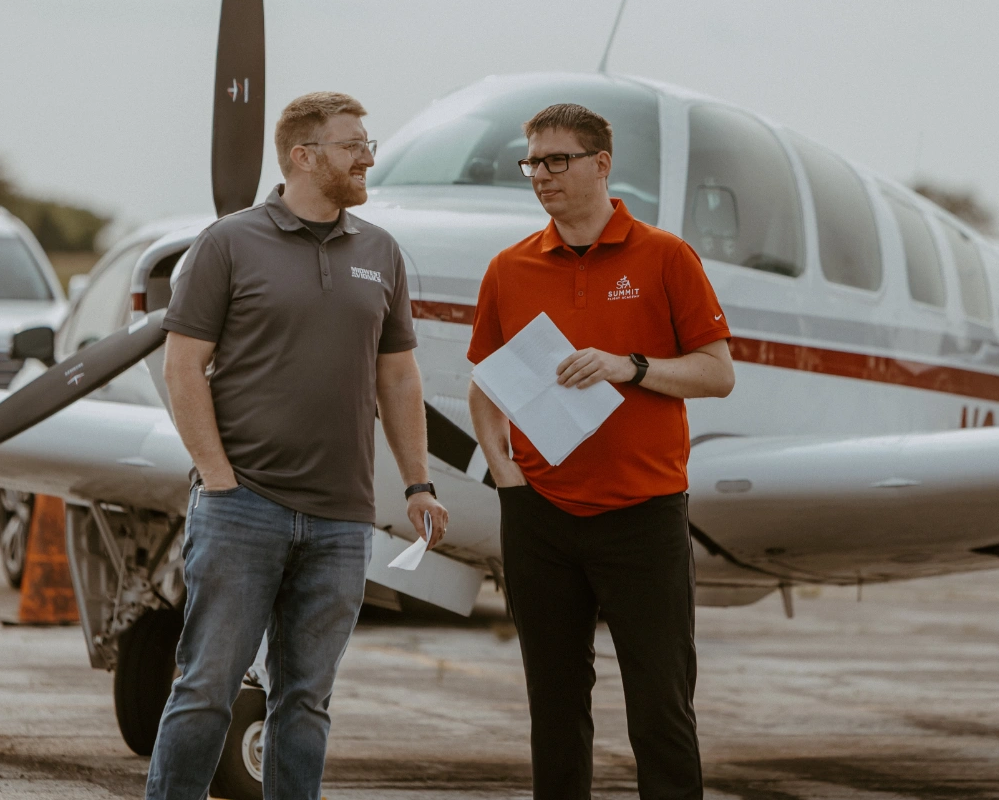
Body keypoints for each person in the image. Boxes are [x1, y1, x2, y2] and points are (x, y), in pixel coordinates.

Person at [147, 91, 448, 800]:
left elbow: (398, 375)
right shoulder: (226, 243)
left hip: (343, 519)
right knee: (206, 689)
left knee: (306, 701)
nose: (368, 157)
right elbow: (182, 364)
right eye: (353, 145)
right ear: (303, 156)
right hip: (241, 507)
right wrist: (218, 478)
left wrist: (417, 482)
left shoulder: (382, 252)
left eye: (368, 143)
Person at [467, 103, 734, 800]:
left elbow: (717, 372)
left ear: (601, 165)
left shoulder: (666, 256)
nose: (541, 176)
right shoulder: (509, 268)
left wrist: (632, 366)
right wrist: (505, 476)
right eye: (533, 163)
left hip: (642, 515)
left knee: (661, 708)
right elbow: (485, 385)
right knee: (554, 711)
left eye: (557, 160)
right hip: (540, 519)